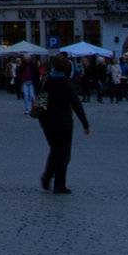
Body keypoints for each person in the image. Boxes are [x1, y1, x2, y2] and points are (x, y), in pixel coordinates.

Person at [38, 51, 91, 194]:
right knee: (64, 154)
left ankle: (48, 177)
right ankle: (58, 183)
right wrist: (85, 123)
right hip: (64, 123)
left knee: (55, 151)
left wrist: (42, 120)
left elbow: (41, 102)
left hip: (48, 123)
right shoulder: (67, 84)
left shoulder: (47, 81)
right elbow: (76, 104)